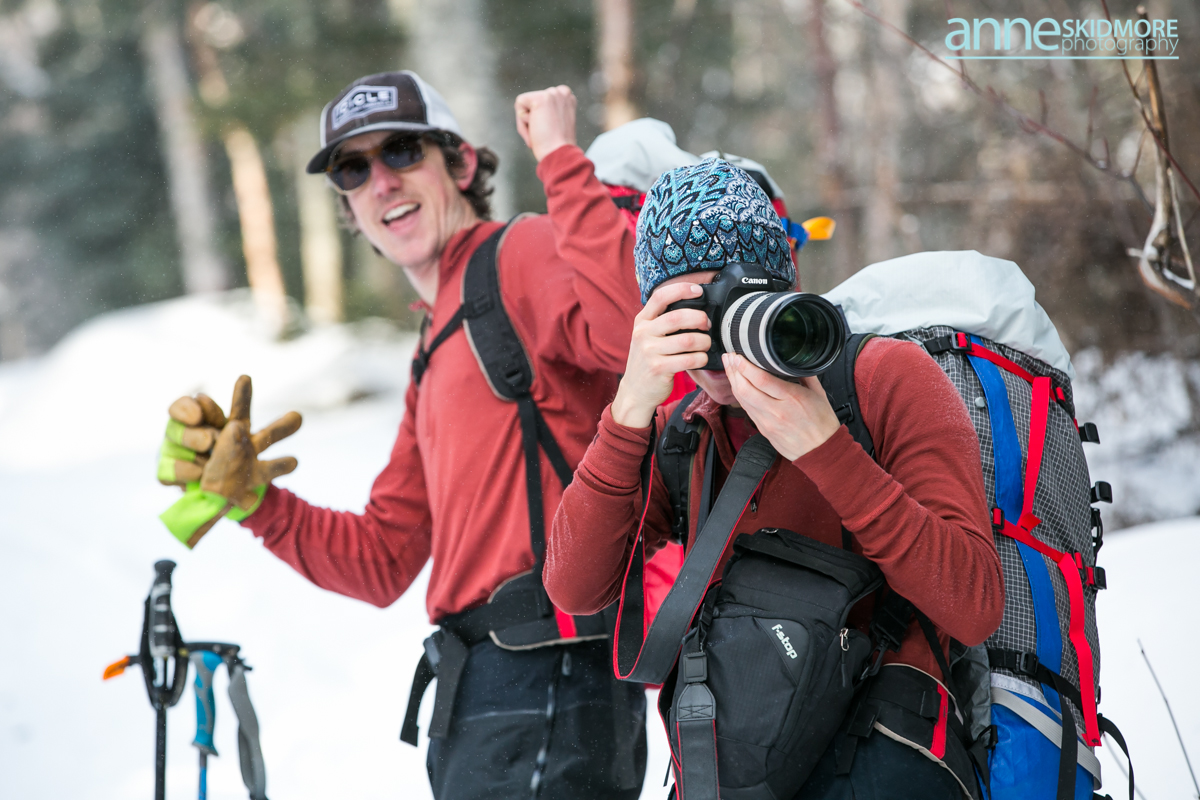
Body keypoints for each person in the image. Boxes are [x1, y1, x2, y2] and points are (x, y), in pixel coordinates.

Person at [156, 71, 647, 799]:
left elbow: (628, 333)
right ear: (349, 206)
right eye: (354, 169)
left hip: (550, 674)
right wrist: (257, 501)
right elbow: (383, 559)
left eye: (402, 152)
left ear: (463, 164)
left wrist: (560, 158)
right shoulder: (437, 343)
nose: (381, 181)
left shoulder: (518, 254)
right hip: (479, 693)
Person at [543, 159, 1005, 799]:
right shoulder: (688, 431)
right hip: (737, 764)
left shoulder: (886, 381)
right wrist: (627, 412)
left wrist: (824, 446)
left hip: (876, 763)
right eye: (685, 312)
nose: (715, 337)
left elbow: (973, 603)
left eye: (731, 303)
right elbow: (573, 586)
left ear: (780, 290)